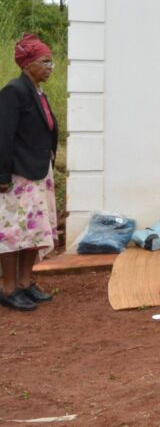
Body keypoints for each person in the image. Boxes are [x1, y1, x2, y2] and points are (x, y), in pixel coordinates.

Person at [0, 34, 60, 312]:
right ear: (28, 64)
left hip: (37, 173)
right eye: (45, 61)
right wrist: (2, 175)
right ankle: (9, 288)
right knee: (13, 232)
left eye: (51, 62)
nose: (50, 66)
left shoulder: (37, 91)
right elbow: (3, 136)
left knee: (33, 232)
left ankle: (25, 283)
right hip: (18, 175)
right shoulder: (14, 91)